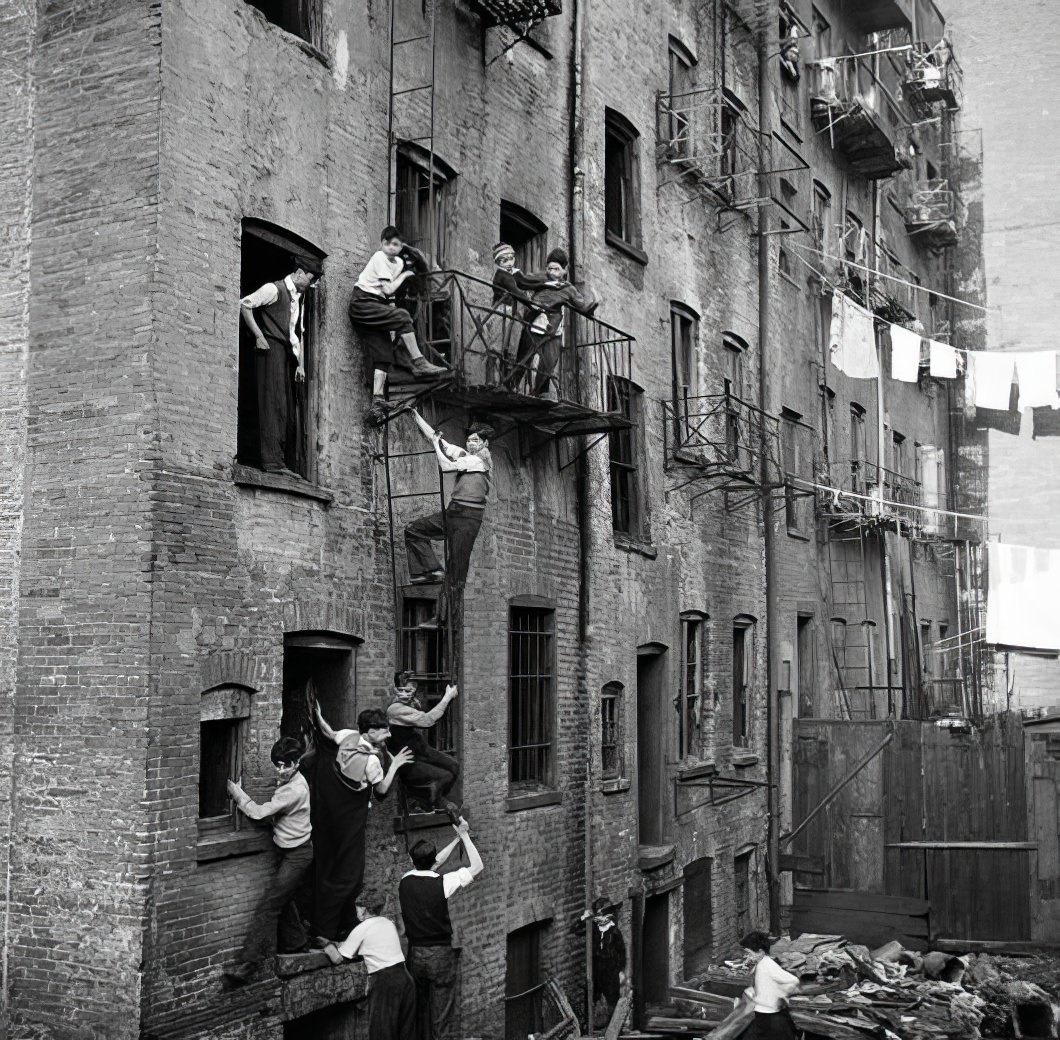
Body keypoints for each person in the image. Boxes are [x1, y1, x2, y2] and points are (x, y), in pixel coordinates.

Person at [311, 705, 414, 942]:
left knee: (329, 868)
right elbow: (381, 792)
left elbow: (327, 732)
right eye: (383, 731)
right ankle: (327, 931)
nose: (388, 735)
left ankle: (344, 924)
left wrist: (316, 711)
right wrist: (396, 764)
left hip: (329, 818)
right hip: (351, 822)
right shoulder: (371, 763)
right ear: (368, 733)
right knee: (350, 874)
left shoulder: (348, 736)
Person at [222, 737, 314, 989]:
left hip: (298, 854)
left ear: (297, 763)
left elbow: (259, 812)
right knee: (282, 898)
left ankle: (247, 964)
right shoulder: (290, 782)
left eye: (287, 765)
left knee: (268, 906)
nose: (281, 770)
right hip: (288, 851)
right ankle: (297, 944)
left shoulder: (294, 789)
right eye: (277, 765)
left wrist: (236, 792)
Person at [349, 226, 449, 427]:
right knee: (404, 316)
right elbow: (387, 288)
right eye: (388, 244)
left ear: (400, 246)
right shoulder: (378, 258)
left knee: (384, 354)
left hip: (378, 307)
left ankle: (377, 401)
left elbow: (390, 297)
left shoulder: (400, 262)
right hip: (362, 304)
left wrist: (393, 324)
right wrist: (405, 276)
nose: (392, 248)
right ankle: (419, 362)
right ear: (382, 244)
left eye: (396, 244)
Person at [403, 411, 494, 629]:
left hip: (468, 519)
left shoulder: (479, 461)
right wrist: (415, 415)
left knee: (456, 574)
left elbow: (445, 466)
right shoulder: (464, 454)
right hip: (453, 512)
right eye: (470, 440)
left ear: (485, 444)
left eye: (476, 441)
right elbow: (436, 437)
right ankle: (429, 570)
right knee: (413, 530)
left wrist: (436, 445)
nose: (471, 444)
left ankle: (443, 620)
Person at [398, 818, 484, 1040]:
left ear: (411, 860)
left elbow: (433, 864)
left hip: (415, 957)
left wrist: (455, 840)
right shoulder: (443, 883)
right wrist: (464, 835)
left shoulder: (405, 881)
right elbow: (477, 866)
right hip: (440, 956)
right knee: (442, 1017)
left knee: (419, 1013)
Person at [240, 265, 317, 472]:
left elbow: (295, 335)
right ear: (299, 274)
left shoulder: (296, 298)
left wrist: (300, 364)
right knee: (271, 403)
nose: (310, 286)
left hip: (285, 353)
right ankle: (271, 461)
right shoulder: (273, 289)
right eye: (309, 281)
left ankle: (281, 461)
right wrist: (259, 335)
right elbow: (245, 305)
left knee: (285, 408)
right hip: (270, 349)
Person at [323, 891, 417, 1040]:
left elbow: (339, 959)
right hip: (406, 979)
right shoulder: (387, 923)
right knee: (406, 1034)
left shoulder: (362, 928)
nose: (356, 913)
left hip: (387, 984)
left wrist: (326, 945)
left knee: (382, 1033)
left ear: (364, 909)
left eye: (357, 909)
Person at [507, 247, 598, 399]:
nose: (552, 273)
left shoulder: (568, 289)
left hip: (552, 330)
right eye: (550, 268)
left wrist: (595, 303)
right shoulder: (542, 278)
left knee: (548, 361)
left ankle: (540, 393)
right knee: (523, 358)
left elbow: (583, 307)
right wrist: (512, 272)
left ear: (564, 270)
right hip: (533, 324)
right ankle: (511, 387)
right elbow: (523, 281)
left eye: (556, 269)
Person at [386, 672, 461, 816]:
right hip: (407, 758)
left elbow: (435, 716)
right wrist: (447, 697)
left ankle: (431, 798)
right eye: (402, 689)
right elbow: (428, 721)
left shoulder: (413, 702)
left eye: (411, 687)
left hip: (420, 750)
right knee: (443, 776)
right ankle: (430, 802)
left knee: (454, 766)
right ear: (396, 689)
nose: (407, 692)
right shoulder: (395, 709)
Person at [739, 930, 800, 1039]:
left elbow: (793, 980)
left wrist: (780, 996)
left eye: (749, 953)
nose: (747, 956)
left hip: (770, 1015)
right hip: (762, 1012)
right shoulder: (761, 964)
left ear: (760, 952)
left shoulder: (769, 966)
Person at [581, 897, 627, 1028]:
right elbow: (575, 931)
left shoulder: (614, 932)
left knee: (613, 997)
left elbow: (622, 952)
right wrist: (583, 918)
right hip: (595, 968)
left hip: (610, 969)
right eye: (599, 915)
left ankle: (615, 1026)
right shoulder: (593, 929)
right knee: (591, 994)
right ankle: (589, 1024)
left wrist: (620, 970)